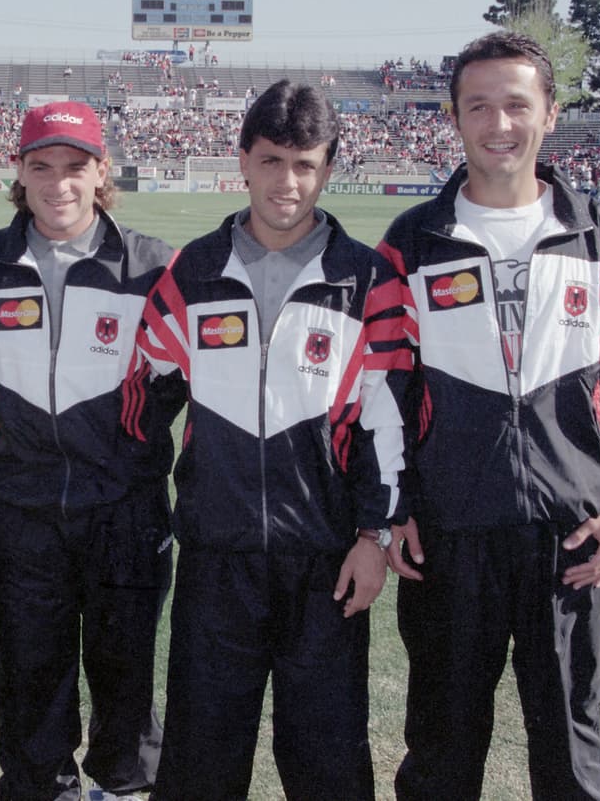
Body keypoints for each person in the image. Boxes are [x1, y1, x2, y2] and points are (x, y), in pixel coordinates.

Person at [377, 32, 600, 801]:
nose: (498, 123)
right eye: (478, 106)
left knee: (572, 753)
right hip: (449, 530)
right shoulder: (411, 240)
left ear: (550, 113)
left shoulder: (596, 229)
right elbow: (383, 383)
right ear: (454, 119)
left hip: (571, 532)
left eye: (516, 104)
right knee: (441, 752)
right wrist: (394, 505)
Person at [130, 79, 410, 800]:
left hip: (326, 562)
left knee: (328, 766)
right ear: (244, 160)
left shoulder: (367, 278)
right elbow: (145, 396)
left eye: (305, 164)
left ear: (328, 167)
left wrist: (374, 536)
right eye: (272, 161)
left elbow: (386, 420)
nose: (288, 182)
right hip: (215, 560)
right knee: (199, 765)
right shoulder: (192, 272)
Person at [0, 101, 179, 800]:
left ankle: (123, 789)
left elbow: (185, 379)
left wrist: (125, 441)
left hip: (127, 510)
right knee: (29, 681)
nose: (59, 184)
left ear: (102, 171)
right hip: (23, 511)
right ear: (18, 171)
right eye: (41, 166)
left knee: (126, 678)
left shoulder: (156, 268)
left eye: (75, 166)